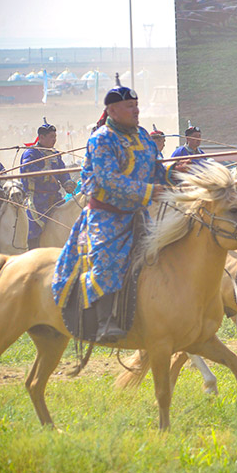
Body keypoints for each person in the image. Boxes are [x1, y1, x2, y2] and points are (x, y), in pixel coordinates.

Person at [52, 84, 168, 343]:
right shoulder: (101, 138)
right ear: (112, 110)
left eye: (137, 105)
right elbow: (108, 180)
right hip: (106, 217)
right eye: (130, 106)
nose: (136, 110)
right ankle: (105, 321)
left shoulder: (143, 137)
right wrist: (149, 191)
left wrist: (175, 174)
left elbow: (156, 171)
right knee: (106, 262)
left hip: (138, 215)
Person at [20, 118, 75, 249]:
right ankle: (31, 249)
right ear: (41, 137)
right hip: (37, 199)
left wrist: (67, 182)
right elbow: (27, 169)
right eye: (51, 137)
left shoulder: (55, 154)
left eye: (55, 136)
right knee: (34, 226)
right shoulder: (31, 153)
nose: (54, 139)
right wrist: (46, 176)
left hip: (55, 198)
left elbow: (62, 171)